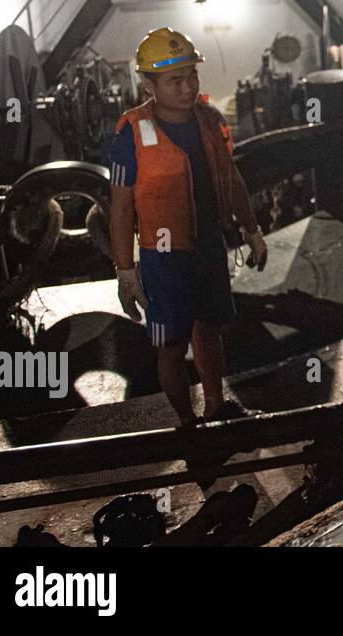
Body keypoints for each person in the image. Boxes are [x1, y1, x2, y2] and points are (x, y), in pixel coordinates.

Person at [109, 28, 269, 426]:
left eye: (191, 76)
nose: (187, 87)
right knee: (171, 343)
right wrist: (125, 272)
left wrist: (251, 229)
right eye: (174, 80)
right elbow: (120, 207)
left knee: (210, 328)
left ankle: (216, 406)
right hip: (163, 256)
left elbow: (231, 180)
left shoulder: (211, 121)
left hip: (209, 245)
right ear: (148, 84)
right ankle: (187, 423)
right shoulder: (130, 134)